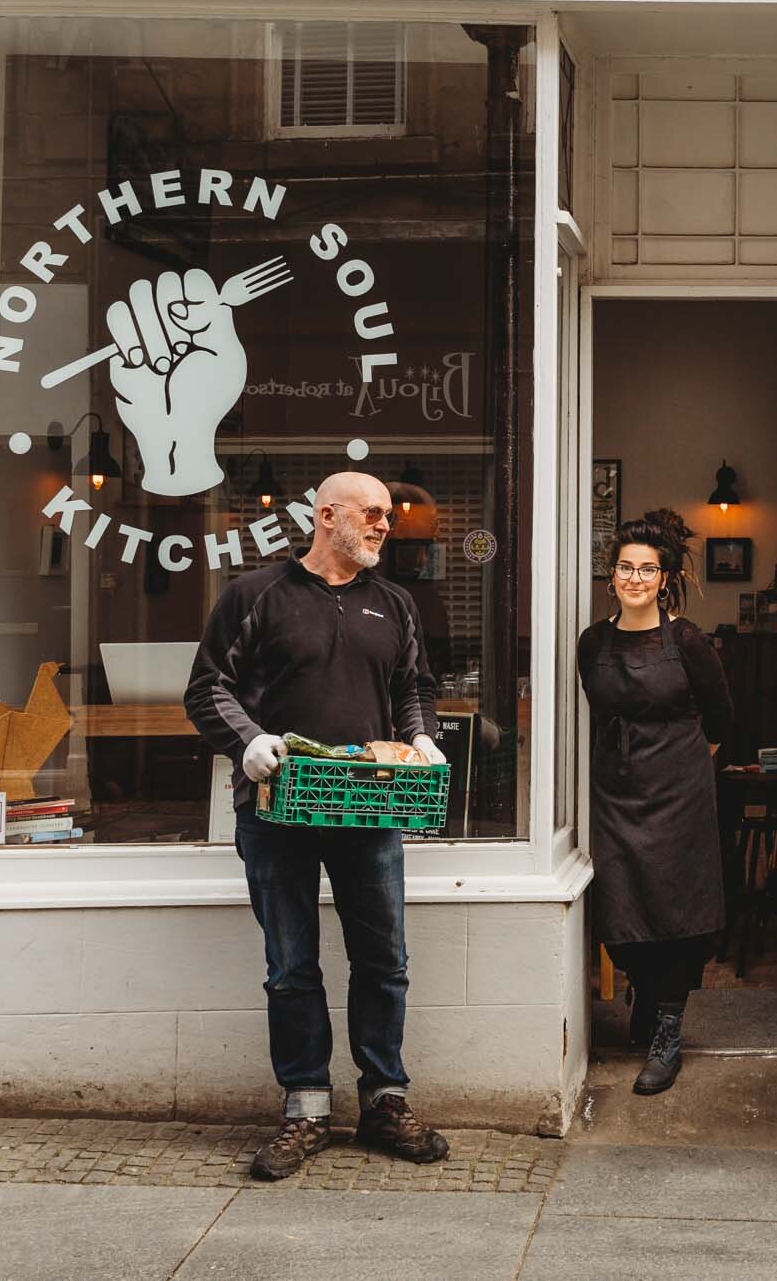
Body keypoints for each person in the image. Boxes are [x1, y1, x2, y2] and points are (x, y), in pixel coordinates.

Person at [186, 468, 453, 1181]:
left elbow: (413, 686)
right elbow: (208, 685)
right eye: (370, 513)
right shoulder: (256, 595)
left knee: (384, 961)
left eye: (387, 516)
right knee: (291, 965)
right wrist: (249, 742)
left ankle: (384, 1099)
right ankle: (305, 1107)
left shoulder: (394, 603)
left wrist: (420, 737)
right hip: (277, 813)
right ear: (326, 515)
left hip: (368, 809)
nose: (383, 525)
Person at [577, 508, 734, 1096]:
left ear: (664, 578)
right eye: (625, 568)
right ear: (612, 575)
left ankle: (668, 1028)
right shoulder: (593, 642)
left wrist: (683, 762)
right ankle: (643, 988)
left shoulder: (687, 640)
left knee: (677, 908)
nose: (635, 578)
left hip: (679, 790)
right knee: (621, 904)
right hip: (616, 789)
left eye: (647, 569)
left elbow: (720, 717)